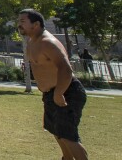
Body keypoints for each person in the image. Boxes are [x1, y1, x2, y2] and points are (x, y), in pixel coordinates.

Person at [17, 9, 88, 160]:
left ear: (36, 24)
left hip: (67, 91)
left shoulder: (47, 43)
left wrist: (59, 93)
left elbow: (66, 69)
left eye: (23, 22)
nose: (19, 25)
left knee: (68, 136)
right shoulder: (31, 42)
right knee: (57, 132)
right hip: (51, 93)